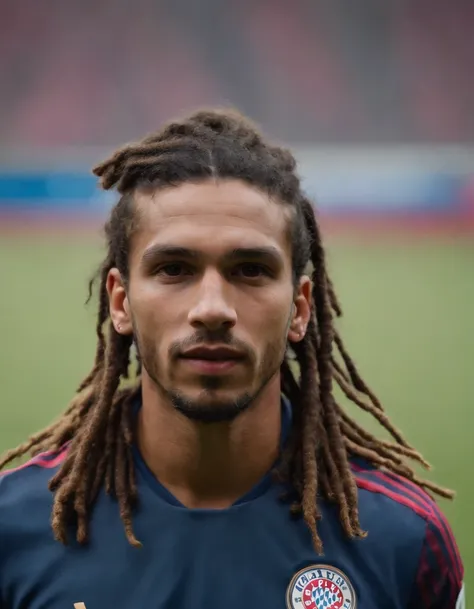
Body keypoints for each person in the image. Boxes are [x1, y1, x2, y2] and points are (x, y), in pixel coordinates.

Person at [0, 109, 464, 609]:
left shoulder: (405, 541)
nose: (213, 309)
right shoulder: (14, 530)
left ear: (300, 308)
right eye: (174, 269)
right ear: (120, 302)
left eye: (251, 270)